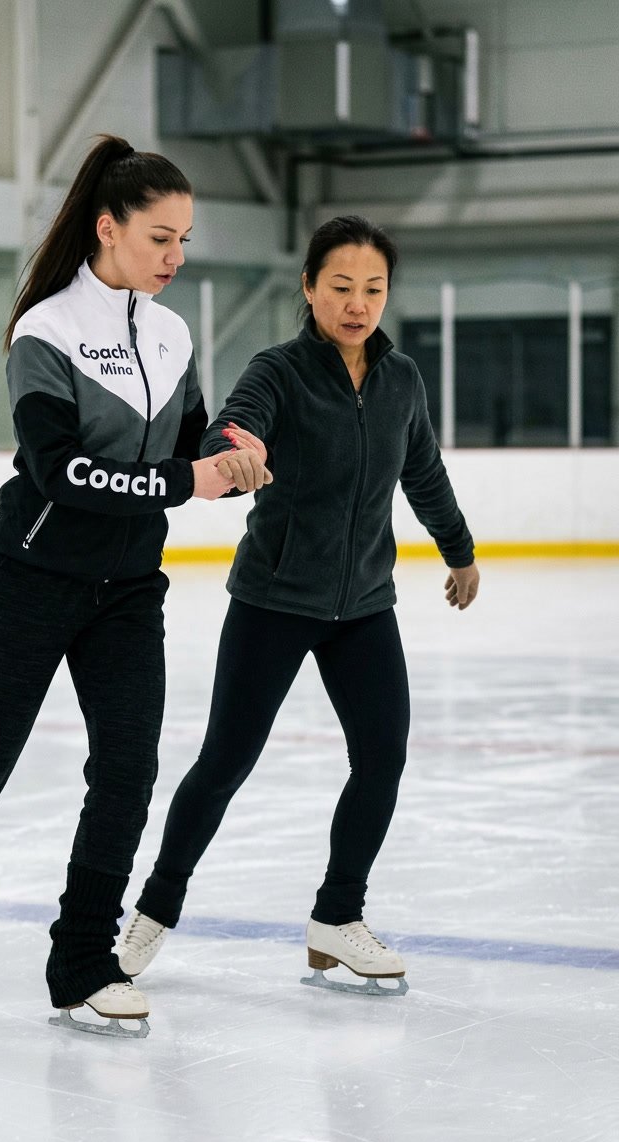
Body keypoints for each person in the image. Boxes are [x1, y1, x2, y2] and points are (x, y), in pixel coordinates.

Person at [0, 134, 268, 1038]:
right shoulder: (47, 331)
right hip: (29, 582)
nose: (175, 258)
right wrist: (185, 483)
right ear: (108, 229)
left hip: (127, 591)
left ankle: (81, 962)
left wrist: (231, 448)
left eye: (184, 239)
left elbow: (192, 441)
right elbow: (58, 471)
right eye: (161, 238)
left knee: (127, 773)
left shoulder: (171, 332)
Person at [116, 214, 480, 995]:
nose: (357, 304)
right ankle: (153, 908)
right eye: (341, 286)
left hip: (364, 608)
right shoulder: (279, 370)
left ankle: (336, 918)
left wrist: (460, 549)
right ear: (309, 287)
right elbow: (232, 426)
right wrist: (230, 453)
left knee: (382, 758)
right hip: (276, 599)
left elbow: (424, 472)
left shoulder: (401, 381)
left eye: (373, 289)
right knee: (224, 763)